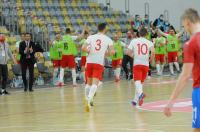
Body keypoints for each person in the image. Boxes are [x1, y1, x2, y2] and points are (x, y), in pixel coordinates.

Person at [164, 8, 200, 132]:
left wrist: (171, 101)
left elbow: (185, 76)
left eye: (184, 26)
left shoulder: (191, 43)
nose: (185, 29)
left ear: (187, 22)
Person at [82, 23, 115, 112]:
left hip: (89, 62)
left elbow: (83, 48)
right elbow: (112, 52)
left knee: (88, 83)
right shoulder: (108, 39)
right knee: (95, 83)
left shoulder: (91, 37)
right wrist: (104, 53)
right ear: (105, 29)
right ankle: (89, 99)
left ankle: (87, 98)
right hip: (98, 63)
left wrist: (89, 51)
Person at [127, 27, 155, 106]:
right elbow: (153, 52)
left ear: (138, 34)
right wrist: (150, 59)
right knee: (140, 83)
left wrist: (134, 56)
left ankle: (141, 94)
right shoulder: (149, 42)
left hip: (137, 63)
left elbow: (128, 52)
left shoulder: (134, 41)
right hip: (145, 64)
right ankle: (135, 100)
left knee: (137, 81)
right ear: (146, 34)